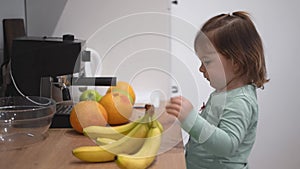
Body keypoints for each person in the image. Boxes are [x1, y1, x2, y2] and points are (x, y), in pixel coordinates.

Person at [165, 11, 269, 169]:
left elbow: (227, 146)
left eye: (206, 61)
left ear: (236, 62)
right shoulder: (224, 93)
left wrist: (191, 119)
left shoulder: (240, 102)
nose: (200, 69)